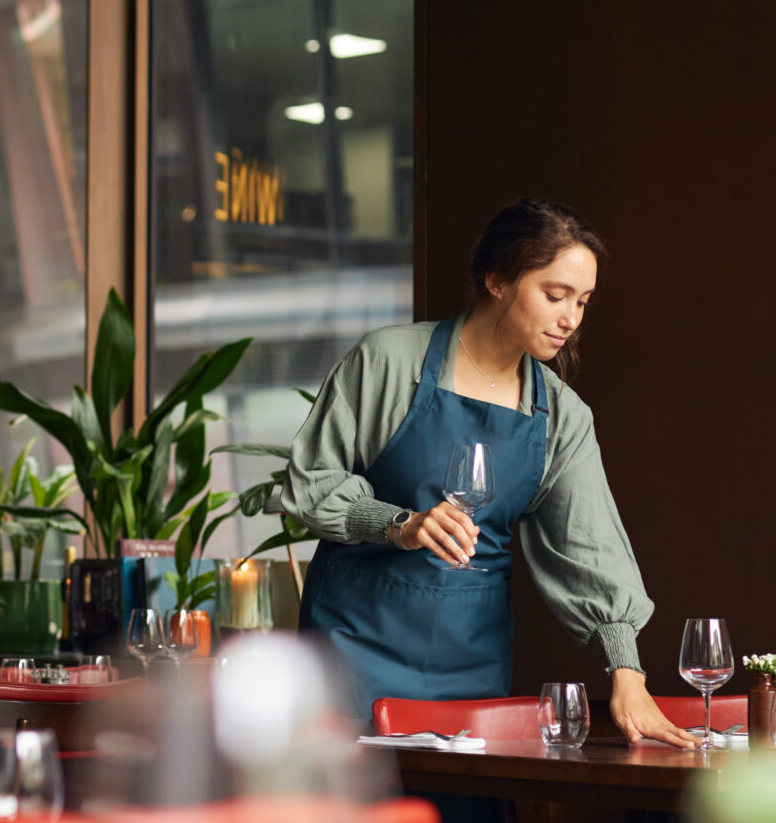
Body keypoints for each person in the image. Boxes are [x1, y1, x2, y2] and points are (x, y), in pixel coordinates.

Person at [284, 198, 694, 750]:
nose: (571, 318)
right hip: (354, 647)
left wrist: (627, 672)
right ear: (497, 280)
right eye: (555, 295)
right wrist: (399, 523)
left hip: (471, 660)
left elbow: (590, 547)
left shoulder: (561, 414)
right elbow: (313, 480)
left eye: (583, 301)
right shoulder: (388, 361)